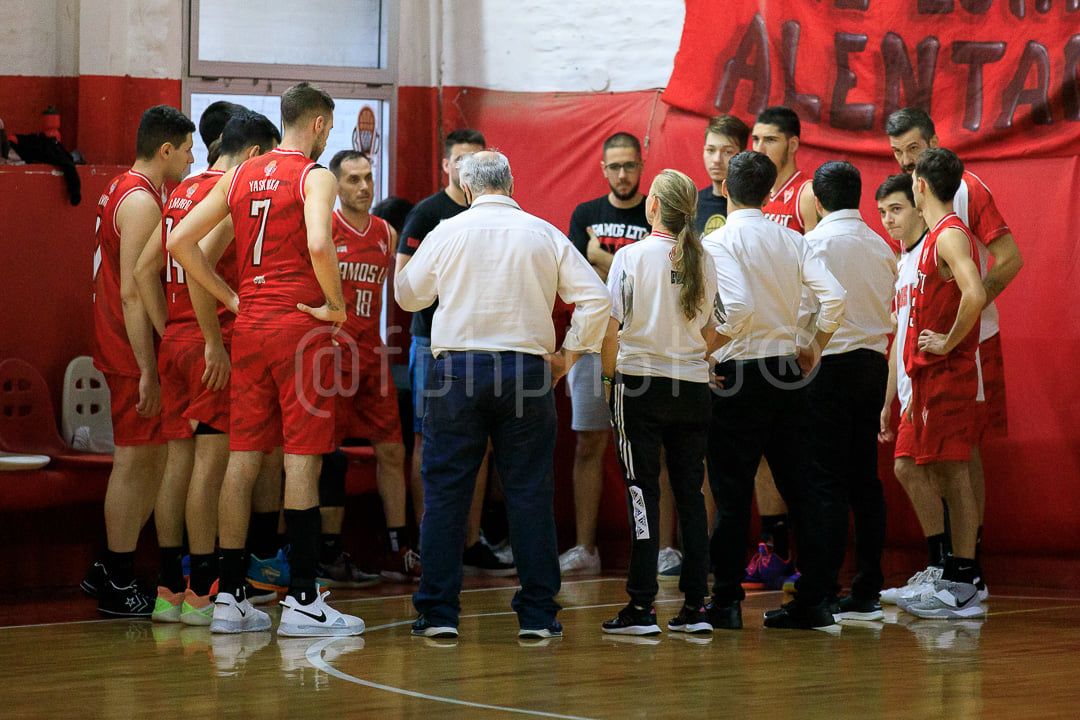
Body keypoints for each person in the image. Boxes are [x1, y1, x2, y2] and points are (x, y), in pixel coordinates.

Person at [168, 82, 364, 637]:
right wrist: (336, 305)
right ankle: (303, 599)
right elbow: (321, 245)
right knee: (302, 460)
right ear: (322, 124)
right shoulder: (314, 175)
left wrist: (231, 299)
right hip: (298, 329)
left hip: (248, 328)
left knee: (242, 459)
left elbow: (182, 244)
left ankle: (228, 600)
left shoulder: (239, 174)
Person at [395, 150, 610, 639]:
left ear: (467, 189)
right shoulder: (543, 232)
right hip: (527, 371)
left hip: (456, 371)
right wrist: (568, 357)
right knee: (530, 493)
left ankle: (438, 615)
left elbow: (408, 297)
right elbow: (597, 298)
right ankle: (537, 617)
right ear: (511, 185)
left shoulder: (445, 231)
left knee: (446, 494)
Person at [134, 109, 281, 624]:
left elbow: (142, 269)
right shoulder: (231, 193)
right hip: (210, 343)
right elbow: (196, 267)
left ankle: (169, 589)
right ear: (259, 154)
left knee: (177, 466)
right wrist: (218, 332)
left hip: (176, 340)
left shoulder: (179, 192)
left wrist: (167, 328)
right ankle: (203, 592)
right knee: (211, 468)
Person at [701, 150, 846, 631]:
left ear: (725, 189)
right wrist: (813, 346)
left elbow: (735, 308)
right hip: (787, 370)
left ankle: (724, 602)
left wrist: (706, 350)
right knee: (803, 488)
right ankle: (815, 599)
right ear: (770, 193)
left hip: (738, 374)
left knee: (731, 492)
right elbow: (835, 298)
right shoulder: (793, 239)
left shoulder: (718, 240)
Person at [883, 108, 1022, 601]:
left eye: (913, 151)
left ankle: (968, 569)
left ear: (936, 143)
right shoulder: (907, 201)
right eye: (897, 154)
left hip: (965, 345)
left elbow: (1010, 259)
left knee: (961, 452)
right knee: (922, 459)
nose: (905, 162)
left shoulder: (965, 191)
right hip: (919, 351)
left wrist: (965, 315)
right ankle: (950, 568)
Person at [599, 169, 733, 636]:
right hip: (692, 387)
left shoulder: (631, 256)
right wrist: (695, 352)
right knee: (692, 496)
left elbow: (612, 328)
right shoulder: (705, 257)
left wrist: (607, 376)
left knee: (642, 492)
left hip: (639, 384)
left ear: (652, 204)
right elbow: (730, 322)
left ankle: (641, 607)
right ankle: (696, 607)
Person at [84, 104, 195, 616]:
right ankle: (118, 580)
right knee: (135, 462)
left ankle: (108, 567)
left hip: (123, 344)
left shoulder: (125, 189)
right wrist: (150, 366)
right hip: (129, 349)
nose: (193, 160)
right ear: (166, 149)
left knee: (146, 462)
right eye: (189, 149)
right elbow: (133, 293)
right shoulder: (142, 202)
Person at [562, 132, 681, 580]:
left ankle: (666, 549)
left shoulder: (661, 212)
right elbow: (581, 285)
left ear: (642, 165)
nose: (623, 174)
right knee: (588, 443)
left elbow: (661, 281)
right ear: (602, 168)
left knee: (661, 451)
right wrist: (617, 267)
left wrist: (603, 257)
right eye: (614, 167)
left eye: (630, 165)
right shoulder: (586, 214)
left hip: (650, 347)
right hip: (595, 343)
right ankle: (584, 547)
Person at [394, 129, 512, 576]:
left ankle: (470, 538)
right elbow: (403, 284)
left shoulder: (502, 217)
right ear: (447, 166)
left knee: (480, 445)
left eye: (476, 161)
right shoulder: (429, 215)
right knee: (429, 441)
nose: (468, 169)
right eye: (461, 160)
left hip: (488, 342)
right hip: (434, 342)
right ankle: (428, 542)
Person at [799, 161, 896, 622]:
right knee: (865, 479)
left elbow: (804, 310)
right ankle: (867, 589)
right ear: (858, 196)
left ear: (818, 201)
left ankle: (822, 588)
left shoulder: (813, 243)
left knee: (826, 480)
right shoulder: (881, 245)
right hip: (873, 366)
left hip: (830, 364)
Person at [321, 149, 418, 585]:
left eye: (367, 178)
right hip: (330, 350)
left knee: (393, 450)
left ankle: (399, 548)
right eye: (353, 180)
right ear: (335, 186)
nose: (363, 187)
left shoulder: (386, 232)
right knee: (328, 455)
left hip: (372, 351)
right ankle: (327, 550)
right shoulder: (323, 227)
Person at [899, 148, 987, 620]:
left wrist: (949, 342)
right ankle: (955, 574)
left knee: (953, 473)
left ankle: (966, 582)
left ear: (921, 186)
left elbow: (975, 292)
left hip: (948, 372)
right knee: (935, 471)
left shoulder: (950, 234)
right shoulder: (936, 237)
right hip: (928, 375)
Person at [743, 106, 818, 586]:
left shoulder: (806, 195)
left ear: (793, 143)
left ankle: (807, 553)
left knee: (798, 455)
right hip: (757, 343)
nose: (760, 148)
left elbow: (820, 271)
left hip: (794, 344)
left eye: (769, 140)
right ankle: (774, 549)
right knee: (761, 455)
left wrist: (807, 337)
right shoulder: (752, 200)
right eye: (754, 140)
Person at [875, 173, 951, 605]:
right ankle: (941, 567)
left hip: (936, 379)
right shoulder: (902, 262)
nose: (889, 220)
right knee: (910, 468)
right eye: (883, 212)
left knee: (921, 469)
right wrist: (887, 399)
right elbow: (897, 339)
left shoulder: (937, 247)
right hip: (907, 386)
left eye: (897, 209)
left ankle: (950, 568)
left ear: (920, 205)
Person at [696, 114, 750, 236]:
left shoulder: (751, 206)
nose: (716, 159)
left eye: (727, 152)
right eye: (710, 150)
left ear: (742, 154)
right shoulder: (692, 204)